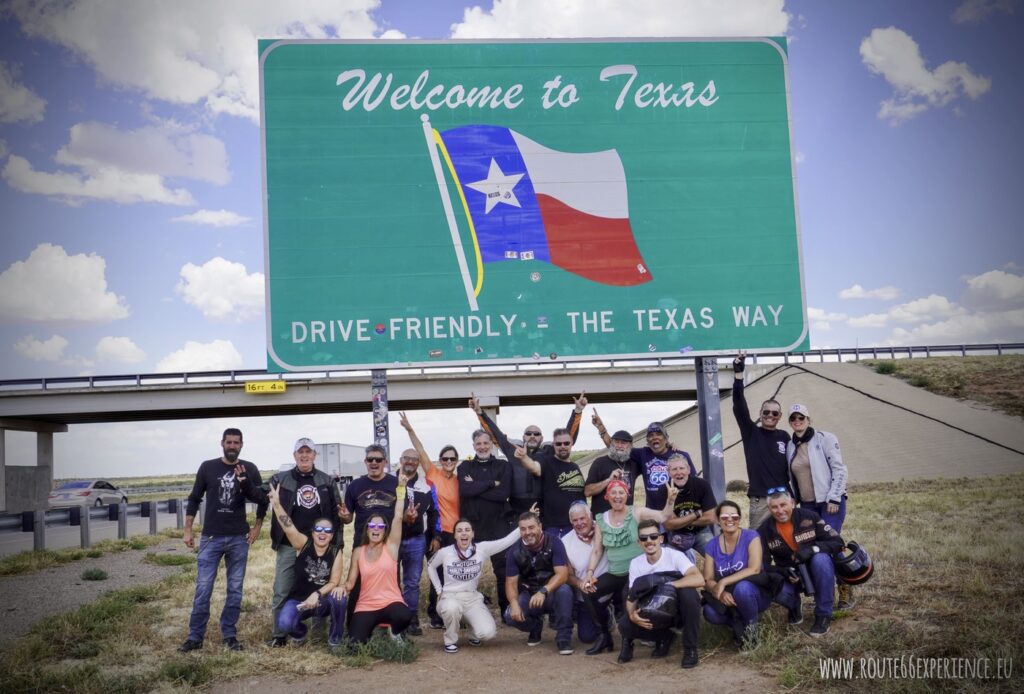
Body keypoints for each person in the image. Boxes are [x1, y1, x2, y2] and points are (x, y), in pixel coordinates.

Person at [254, 437, 343, 648]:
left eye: (308, 452)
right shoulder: (280, 479)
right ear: (294, 455)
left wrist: (337, 543)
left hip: (320, 544)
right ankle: (279, 634)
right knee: (282, 588)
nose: (304, 455)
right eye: (300, 452)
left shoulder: (326, 481)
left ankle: (320, 627)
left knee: (320, 583)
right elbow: (260, 496)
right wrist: (246, 484)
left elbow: (338, 514)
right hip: (289, 543)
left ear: (314, 455)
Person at [179, 428, 263, 653]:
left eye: (236, 443)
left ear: (242, 445)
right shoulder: (208, 467)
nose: (232, 446)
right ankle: (195, 636)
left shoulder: (250, 468)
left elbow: (262, 499)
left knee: (235, 589)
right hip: (211, 537)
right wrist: (188, 530)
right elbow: (194, 498)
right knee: (203, 588)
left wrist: (257, 527)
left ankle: (229, 634)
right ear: (222, 443)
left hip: (238, 538)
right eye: (229, 442)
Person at [581, 479, 678, 656]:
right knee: (588, 591)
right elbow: (597, 549)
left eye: (621, 493)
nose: (617, 496)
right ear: (607, 496)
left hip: (638, 573)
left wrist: (670, 500)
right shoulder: (601, 519)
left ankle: (628, 643)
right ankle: (604, 636)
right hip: (615, 572)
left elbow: (663, 516)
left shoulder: (636, 512)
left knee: (628, 596)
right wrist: (589, 573)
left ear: (627, 495)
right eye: (614, 493)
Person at [474, 392, 586, 519]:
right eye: (529, 433)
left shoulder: (549, 451)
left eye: (536, 434)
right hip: (516, 506)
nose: (532, 436)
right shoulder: (513, 450)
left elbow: (567, 438)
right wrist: (480, 413)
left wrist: (577, 412)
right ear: (523, 437)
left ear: (542, 438)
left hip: (542, 506)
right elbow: (495, 434)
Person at [787, 403, 854, 609]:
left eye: (801, 417)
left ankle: (845, 588)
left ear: (809, 419)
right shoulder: (791, 445)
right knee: (813, 548)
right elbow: (792, 476)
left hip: (829, 502)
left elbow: (840, 469)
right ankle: (824, 590)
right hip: (807, 505)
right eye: (793, 418)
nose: (797, 421)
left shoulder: (825, 438)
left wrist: (834, 497)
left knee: (831, 544)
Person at [266, 480, 346, 648]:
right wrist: (277, 505)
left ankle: (335, 639)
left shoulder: (335, 551)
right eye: (319, 529)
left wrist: (317, 594)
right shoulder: (303, 544)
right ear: (312, 532)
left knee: (339, 598)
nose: (322, 534)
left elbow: (333, 582)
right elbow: (288, 527)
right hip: (299, 600)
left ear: (332, 536)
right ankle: (300, 633)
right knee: (285, 624)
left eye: (327, 531)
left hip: (321, 600)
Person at [399, 412, 460, 630]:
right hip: (432, 531)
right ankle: (415, 616)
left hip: (452, 533)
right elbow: (420, 451)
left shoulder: (460, 481)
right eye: (445, 458)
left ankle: (439, 613)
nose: (449, 462)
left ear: (457, 461)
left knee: (445, 574)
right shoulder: (432, 474)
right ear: (440, 461)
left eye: (453, 459)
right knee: (419, 576)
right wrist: (409, 429)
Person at [617, 518, 704, 669]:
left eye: (653, 536)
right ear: (639, 542)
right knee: (624, 624)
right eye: (644, 538)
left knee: (689, 594)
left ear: (661, 539)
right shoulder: (636, 563)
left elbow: (699, 579)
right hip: (652, 611)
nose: (649, 541)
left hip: (675, 610)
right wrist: (632, 615)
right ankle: (663, 637)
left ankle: (690, 649)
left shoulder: (674, 555)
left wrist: (669, 584)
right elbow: (632, 596)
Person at [426, 517, 521, 653]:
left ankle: (473, 632)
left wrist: (521, 526)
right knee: (452, 608)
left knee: (488, 633)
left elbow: (506, 541)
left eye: (467, 530)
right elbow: (430, 566)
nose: (464, 533)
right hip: (449, 597)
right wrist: (438, 589)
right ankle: (451, 640)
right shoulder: (445, 552)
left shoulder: (481, 549)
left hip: (471, 598)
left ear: (473, 534)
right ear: (455, 535)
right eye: (459, 531)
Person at [758, 489, 845, 637]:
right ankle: (794, 607)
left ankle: (823, 615)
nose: (780, 511)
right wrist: (782, 571)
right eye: (774, 507)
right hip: (789, 575)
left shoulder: (810, 516)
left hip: (815, 569)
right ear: (769, 509)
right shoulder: (764, 530)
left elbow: (838, 543)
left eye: (783, 505)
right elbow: (762, 565)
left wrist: (813, 549)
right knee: (772, 584)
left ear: (792, 503)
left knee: (821, 559)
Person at [344, 472, 415, 643]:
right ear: (367, 529)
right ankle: (370, 630)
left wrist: (401, 489)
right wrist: (339, 588)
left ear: (385, 530)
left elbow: (398, 517)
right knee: (355, 645)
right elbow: (351, 583)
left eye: (380, 526)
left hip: (391, 603)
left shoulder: (391, 547)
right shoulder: (358, 552)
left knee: (405, 615)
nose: (376, 529)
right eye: (372, 525)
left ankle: (394, 632)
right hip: (366, 606)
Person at [458, 399, 515, 614]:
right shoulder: (465, 466)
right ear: (473, 446)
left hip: (499, 525)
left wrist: (478, 487)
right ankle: (467, 611)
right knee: (468, 570)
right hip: (473, 527)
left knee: (502, 569)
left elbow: (504, 494)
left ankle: (506, 609)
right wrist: (491, 483)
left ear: (491, 444)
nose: (482, 447)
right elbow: (465, 491)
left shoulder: (503, 465)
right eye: (478, 444)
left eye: (486, 443)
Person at [732, 352, 791, 529]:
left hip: (783, 498)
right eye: (766, 412)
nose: (769, 416)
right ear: (760, 414)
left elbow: (794, 467)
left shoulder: (785, 437)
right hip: (759, 499)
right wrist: (738, 377)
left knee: (787, 541)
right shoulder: (751, 432)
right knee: (758, 543)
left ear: (779, 416)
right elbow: (739, 406)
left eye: (774, 413)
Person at [503, 511, 575, 655]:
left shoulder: (555, 542)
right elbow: (511, 583)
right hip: (529, 594)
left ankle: (564, 637)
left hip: (552, 592)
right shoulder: (514, 551)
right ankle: (535, 626)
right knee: (509, 616)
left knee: (565, 590)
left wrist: (544, 591)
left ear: (540, 526)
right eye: (523, 529)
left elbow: (563, 574)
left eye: (531, 527)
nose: (527, 532)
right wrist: (514, 604)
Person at [701, 500, 771, 649]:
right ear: (718, 521)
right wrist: (720, 594)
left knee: (743, 588)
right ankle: (737, 624)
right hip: (729, 597)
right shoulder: (712, 545)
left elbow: (754, 569)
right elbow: (708, 580)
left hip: (754, 593)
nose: (730, 520)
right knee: (709, 612)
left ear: (740, 519)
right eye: (725, 517)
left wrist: (724, 582)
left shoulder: (751, 536)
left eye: (734, 517)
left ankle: (752, 631)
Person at [592, 415, 697, 510]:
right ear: (647, 440)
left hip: (677, 510)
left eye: (658, 434)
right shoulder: (643, 454)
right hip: (653, 514)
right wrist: (601, 428)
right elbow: (616, 447)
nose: (654, 437)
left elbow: (695, 483)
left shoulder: (680, 455)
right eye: (651, 435)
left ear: (666, 438)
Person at [395, 447, 439, 635]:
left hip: (416, 539)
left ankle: (411, 619)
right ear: (401, 460)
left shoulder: (427, 484)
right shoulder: (390, 481)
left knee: (412, 582)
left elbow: (434, 512)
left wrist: (436, 536)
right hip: (393, 539)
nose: (410, 462)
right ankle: (394, 617)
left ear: (419, 462)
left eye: (414, 459)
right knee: (392, 580)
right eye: (407, 458)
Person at [562, 501, 615, 653]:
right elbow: (568, 575)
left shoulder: (604, 528)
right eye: (575, 520)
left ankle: (615, 611)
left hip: (610, 585)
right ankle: (606, 616)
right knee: (586, 637)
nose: (579, 523)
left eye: (582, 518)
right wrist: (580, 583)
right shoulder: (565, 542)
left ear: (590, 516)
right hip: (586, 593)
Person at [512, 428, 587, 537]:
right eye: (558, 444)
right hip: (556, 528)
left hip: (578, 526)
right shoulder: (547, 462)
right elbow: (534, 467)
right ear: (553, 445)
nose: (562, 446)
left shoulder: (574, 467)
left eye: (566, 443)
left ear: (571, 444)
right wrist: (524, 457)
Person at [644, 452, 716, 558]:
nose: (679, 472)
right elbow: (668, 525)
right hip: (677, 534)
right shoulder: (663, 490)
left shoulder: (702, 485)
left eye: (682, 468)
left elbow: (710, 518)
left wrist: (679, 521)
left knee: (716, 557)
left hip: (701, 531)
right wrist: (696, 514)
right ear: (668, 472)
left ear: (688, 470)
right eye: (674, 469)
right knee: (672, 563)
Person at [341, 445, 397, 546]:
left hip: (389, 543)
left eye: (378, 460)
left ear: (385, 462)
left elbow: (402, 514)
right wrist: (344, 516)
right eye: (370, 459)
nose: (374, 462)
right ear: (365, 462)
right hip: (362, 543)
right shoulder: (354, 485)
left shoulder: (396, 483)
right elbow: (348, 520)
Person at [584, 426, 639, 514]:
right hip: (601, 520)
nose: (619, 446)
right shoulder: (599, 463)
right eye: (616, 442)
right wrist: (608, 480)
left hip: (625, 520)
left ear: (630, 446)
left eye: (623, 443)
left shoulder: (634, 464)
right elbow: (587, 491)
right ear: (611, 443)